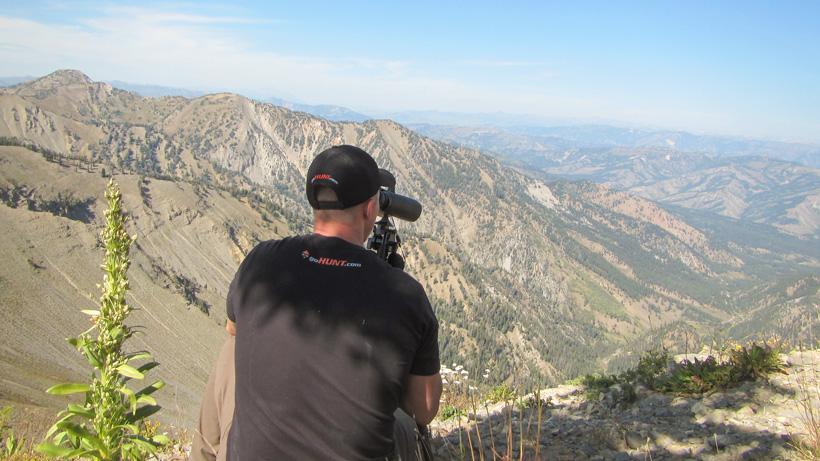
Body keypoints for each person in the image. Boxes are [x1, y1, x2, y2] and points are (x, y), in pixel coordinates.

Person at [197, 145, 441, 460]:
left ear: (315, 204)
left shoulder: (260, 261)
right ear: (370, 209)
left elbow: (233, 329)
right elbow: (425, 409)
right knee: (404, 426)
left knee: (232, 348)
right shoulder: (404, 294)